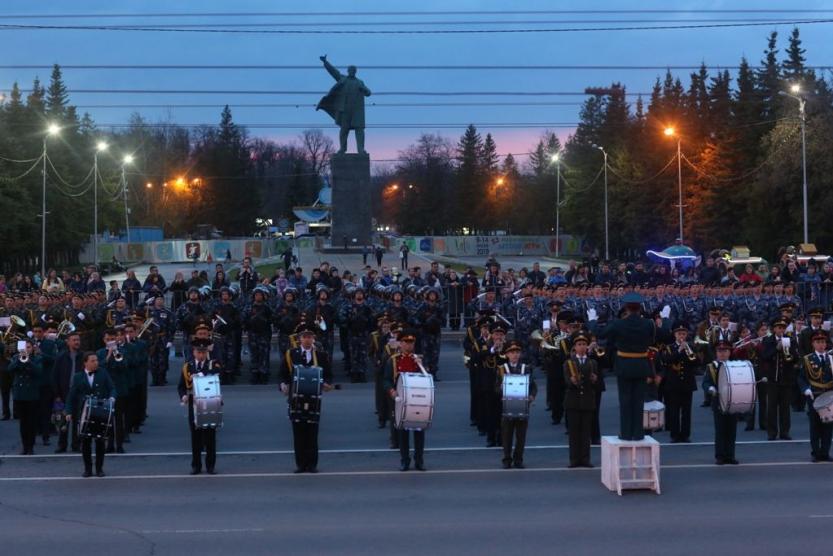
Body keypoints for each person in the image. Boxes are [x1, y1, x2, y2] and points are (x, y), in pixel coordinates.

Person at [587, 292, 672, 441]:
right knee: (639, 401)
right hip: (641, 365)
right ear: (640, 308)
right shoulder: (648, 323)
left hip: (624, 365)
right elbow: (665, 334)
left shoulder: (619, 323)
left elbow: (600, 332)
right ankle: (638, 433)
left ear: (626, 307)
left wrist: (592, 320)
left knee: (625, 401)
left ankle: (626, 433)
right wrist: (665, 319)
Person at [279, 322, 334, 473]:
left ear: (313, 339)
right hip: (296, 399)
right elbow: (282, 374)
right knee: (298, 432)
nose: (307, 340)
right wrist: (283, 385)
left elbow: (328, 375)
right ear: (299, 339)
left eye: (310, 337)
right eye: (304, 337)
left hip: (314, 399)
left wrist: (328, 384)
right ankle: (300, 464)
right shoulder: (291, 354)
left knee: (312, 432)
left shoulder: (321, 355)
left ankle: (312, 464)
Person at [65, 351, 116, 477]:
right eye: (92, 361)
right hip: (84, 412)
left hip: (99, 411)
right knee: (86, 442)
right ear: (85, 363)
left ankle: (99, 469)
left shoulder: (103, 373)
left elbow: (112, 388)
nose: (96, 363)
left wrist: (112, 398)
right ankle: (87, 469)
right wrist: (69, 411)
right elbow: (71, 395)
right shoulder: (78, 376)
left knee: (100, 441)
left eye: (97, 360)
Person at [384, 328, 427, 471]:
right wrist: (392, 391)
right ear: (400, 344)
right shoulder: (394, 360)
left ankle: (419, 460)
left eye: (411, 342)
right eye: (406, 342)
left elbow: (427, 379)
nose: (409, 345)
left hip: (417, 399)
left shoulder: (418, 359)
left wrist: (421, 365)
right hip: (401, 399)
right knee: (402, 432)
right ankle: (405, 460)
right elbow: (386, 380)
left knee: (419, 430)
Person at [178, 338, 222, 474]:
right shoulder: (187, 367)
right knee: (195, 436)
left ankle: (210, 465)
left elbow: (217, 374)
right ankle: (196, 465)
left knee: (210, 435)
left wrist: (200, 374)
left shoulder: (212, 364)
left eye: (203, 352)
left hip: (210, 403)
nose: (201, 355)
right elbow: (181, 386)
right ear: (194, 352)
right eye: (199, 352)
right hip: (194, 403)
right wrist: (183, 396)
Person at [497, 340, 536, 469]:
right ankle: (507, 459)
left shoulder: (526, 368)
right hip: (507, 407)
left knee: (521, 436)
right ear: (507, 354)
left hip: (523, 407)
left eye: (517, 352)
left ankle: (518, 459)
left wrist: (532, 396)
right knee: (507, 435)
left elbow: (533, 386)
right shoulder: (502, 369)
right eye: (512, 352)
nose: (515, 355)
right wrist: (501, 388)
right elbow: (495, 388)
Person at [659, 324, 699, 443]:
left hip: (687, 383)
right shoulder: (669, 347)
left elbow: (697, 362)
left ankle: (685, 435)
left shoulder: (691, 346)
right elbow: (667, 361)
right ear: (675, 335)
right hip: (673, 384)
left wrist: (688, 350)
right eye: (679, 334)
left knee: (687, 411)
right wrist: (679, 350)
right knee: (674, 411)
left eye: (683, 334)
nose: (681, 336)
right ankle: (674, 435)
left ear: (686, 335)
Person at [762, 318, 799, 440]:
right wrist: (776, 349)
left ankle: (785, 432)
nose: (781, 330)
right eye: (779, 328)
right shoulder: (768, 340)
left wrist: (790, 352)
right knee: (772, 408)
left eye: (783, 328)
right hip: (773, 379)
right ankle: (771, 432)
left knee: (785, 408)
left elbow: (795, 358)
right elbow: (765, 356)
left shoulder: (790, 340)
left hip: (786, 379)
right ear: (774, 329)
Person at [703, 340, 740, 465]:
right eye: (720, 351)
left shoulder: (735, 365)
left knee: (731, 429)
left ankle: (730, 455)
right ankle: (720, 456)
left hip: (733, 400)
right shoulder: (711, 367)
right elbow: (705, 382)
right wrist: (710, 389)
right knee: (720, 429)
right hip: (718, 401)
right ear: (716, 353)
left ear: (730, 352)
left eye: (725, 351)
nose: (722, 353)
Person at [564, 331, 597, 468]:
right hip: (573, 401)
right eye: (579, 344)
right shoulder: (569, 363)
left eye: (584, 344)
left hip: (587, 400)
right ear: (574, 347)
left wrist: (595, 380)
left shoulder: (592, 362)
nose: (582, 347)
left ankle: (585, 458)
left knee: (586, 432)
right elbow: (566, 381)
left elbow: (596, 382)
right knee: (574, 432)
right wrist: (572, 382)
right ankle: (574, 459)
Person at [798, 330, 833, 462]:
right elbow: (801, 378)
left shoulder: (831, 359)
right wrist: (806, 389)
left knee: (828, 425)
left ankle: (825, 452)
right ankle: (816, 453)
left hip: (829, 396)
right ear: (813, 344)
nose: (821, 345)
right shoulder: (807, 359)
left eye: (823, 342)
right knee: (815, 425)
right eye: (818, 342)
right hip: (814, 395)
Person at [5, 338, 42, 454]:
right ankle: (25, 446)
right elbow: (9, 369)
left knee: (31, 422)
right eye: (24, 347)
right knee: (23, 423)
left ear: (32, 348)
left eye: (28, 347)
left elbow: (39, 372)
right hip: (20, 394)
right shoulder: (16, 358)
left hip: (32, 394)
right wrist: (20, 360)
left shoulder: (37, 359)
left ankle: (30, 446)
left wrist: (28, 361)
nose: (26, 350)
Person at [52, 331, 85, 453]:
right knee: (63, 421)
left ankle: (76, 444)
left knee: (78, 420)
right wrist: (57, 395)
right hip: (64, 393)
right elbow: (55, 376)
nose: (77, 342)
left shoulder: (83, 356)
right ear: (68, 342)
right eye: (74, 340)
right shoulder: (61, 357)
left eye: (78, 340)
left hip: (79, 393)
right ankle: (62, 444)